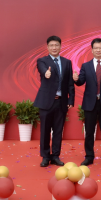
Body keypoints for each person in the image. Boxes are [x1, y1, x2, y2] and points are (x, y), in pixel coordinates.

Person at [73, 38, 101, 167]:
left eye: (100, 48)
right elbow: (81, 81)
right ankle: (89, 156)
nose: (98, 50)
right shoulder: (86, 66)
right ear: (92, 50)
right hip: (90, 103)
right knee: (89, 132)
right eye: (96, 48)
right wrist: (76, 79)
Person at [33, 36, 75, 168]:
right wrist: (46, 73)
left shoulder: (67, 62)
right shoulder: (42, 61)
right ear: (47, 47)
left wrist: (71, 99)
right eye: (51, 45)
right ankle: (45, 157)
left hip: (61, 102)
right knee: (45, 131)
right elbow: (42, 70)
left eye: (56, 45)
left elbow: (70, 83)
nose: (54, 47)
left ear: (60, 46)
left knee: (58, 131)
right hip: (46, 102)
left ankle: (55, 156)